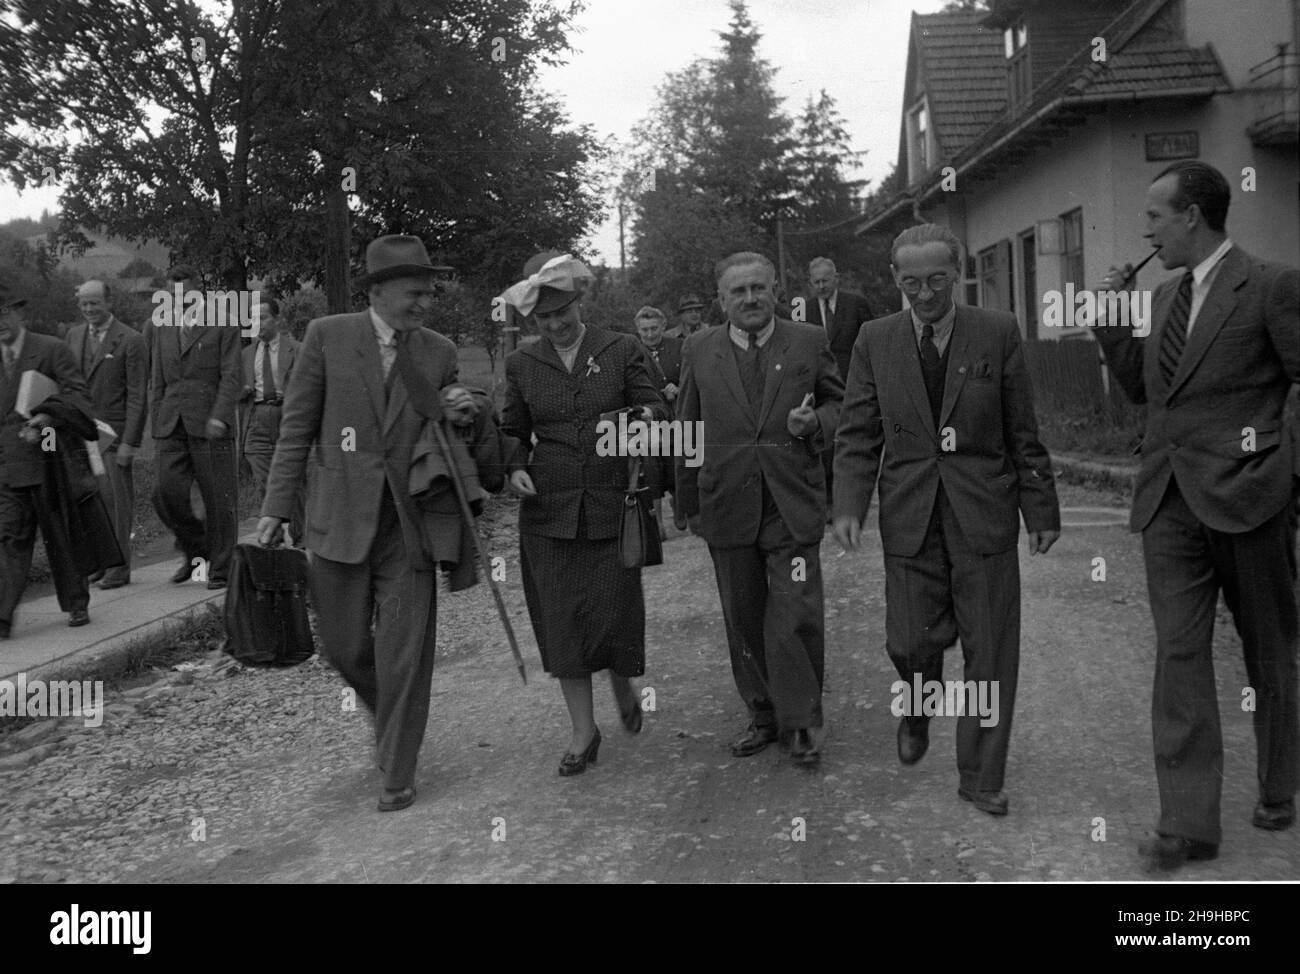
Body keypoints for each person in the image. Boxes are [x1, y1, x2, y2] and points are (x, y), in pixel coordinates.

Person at [1093, 161, 1299, 870]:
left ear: (1191, 217)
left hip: (1250, 497)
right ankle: (1187, 824)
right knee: (1179, 657)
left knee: (1269, 648)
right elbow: (1150, 393)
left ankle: (1279, 784)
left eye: (1154, 214)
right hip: (1168, 500)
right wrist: (1113, 323)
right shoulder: (1160, 296)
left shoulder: (1270, 285)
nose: (1145, 227)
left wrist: (1284, 472)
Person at [832, 223, 1060, 816]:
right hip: (910, 513)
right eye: (911, 282)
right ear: (894, 279)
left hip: (981, 513)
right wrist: (849, 504)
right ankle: (917, 700)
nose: (925, 294)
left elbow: (1022, 432)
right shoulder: (873, 339)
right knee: (909, 641)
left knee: (989, 651)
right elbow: (857, 433)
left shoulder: (997, 331)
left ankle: (981, 775)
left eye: (936, 279)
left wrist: (1040, 509)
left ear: (955, 273)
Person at [256, 234, 478, 813]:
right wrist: (275, 510)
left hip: (410, 526)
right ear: (378, 291)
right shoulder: (327, 337)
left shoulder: (437, 349)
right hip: (336, 520)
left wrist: (460, 406)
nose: (424, 303)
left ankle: (397, 768)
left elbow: (453, 421)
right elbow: (296, 430)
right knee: (347, 649)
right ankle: (391, 714)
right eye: (414, 292)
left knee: (405, 652)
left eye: (429, 292)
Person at [500, 252, 667, 776]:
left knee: (613, 611)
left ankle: (620, 677)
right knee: (561, 620)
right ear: (533, 321)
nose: (555, 324)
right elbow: (511, 430)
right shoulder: (522, 363)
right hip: (548, 510)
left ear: (579, 302)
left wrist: (646, 417)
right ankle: (583, 731)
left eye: (562, 311)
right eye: (543, 318)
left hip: (611, 503)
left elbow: (656, 409)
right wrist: (513, 467)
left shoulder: (622, 349)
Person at [675, 252, 843, 767]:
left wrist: (814, 424)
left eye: (758, 289)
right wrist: (686, 503)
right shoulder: (699, 348)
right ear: (721, 300)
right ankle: (763, 713)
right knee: (743, 616)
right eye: (737, 292)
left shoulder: (808, 342)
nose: (749, 299)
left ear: (776, 290)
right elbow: (687, 426)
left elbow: (844, 408)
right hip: (726, 503)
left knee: (794, 613)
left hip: (790, 503)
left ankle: (800, 722)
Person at [0, 281, 99, 634]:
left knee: (60, 533)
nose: (0, 322)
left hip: (47, 456)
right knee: (9, 536)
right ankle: (2, 615)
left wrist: (47, 417)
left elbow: (78, 397)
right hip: (7, 467)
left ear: (19, 313)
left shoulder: (51, 349)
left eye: (5, 312)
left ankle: (76, 604)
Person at [147, 265, 241, 589]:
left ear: (198, 290)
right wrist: (156, 419)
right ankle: (197, 550)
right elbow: (157, 378)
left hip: (210, 422)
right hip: (172, 421)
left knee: (218, 499)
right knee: (164, 491)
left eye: (185, 293)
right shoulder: (162, 326)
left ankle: (222, 569)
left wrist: (220, 415)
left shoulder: (224, 321)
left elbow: (232, 375)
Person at [66, 280, 147, 589]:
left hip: (114, 435)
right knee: (89, 500)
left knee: (116, 501)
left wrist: (130, 442)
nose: (89, 309)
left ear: (108, 302)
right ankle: (98, 563)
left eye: (95, 303)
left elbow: (138, 395)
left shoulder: (131, 339)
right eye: (84, 304)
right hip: (80, 434)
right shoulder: (73, 336)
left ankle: (119, 568)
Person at [807, 257, 874, 510]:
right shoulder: (806, 310)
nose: (822, 286)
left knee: (852, 441)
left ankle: (850, 500)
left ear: (837, 278)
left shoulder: (856, 304)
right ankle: (829, 502)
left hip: (854, 383)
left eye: (826, 280)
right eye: (817, 282)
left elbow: (870, 343)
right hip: (821, 389)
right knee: (825, 443)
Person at [239, 296, 304, 546]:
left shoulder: (296, 349)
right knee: (264, 478)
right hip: (256, 417)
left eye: (263, 317)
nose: (258, 323)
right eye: (253, 319)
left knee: (294, 477)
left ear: (277, 320)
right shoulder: (246, 354)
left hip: (286, 416)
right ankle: (273, 534)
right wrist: (240, 392)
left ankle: (300, 536)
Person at [634, 305, 682, 537]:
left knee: (678, 462)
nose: (650, 334)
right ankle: (658, 524)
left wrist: (679, 388)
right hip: (646, 419)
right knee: (651, 467)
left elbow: (692, 378)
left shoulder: (679, 347)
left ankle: (681, 505)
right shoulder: (632, 352)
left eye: (654, 328)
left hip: (675, 416)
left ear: (664, 326)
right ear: (638, 330)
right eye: (645, 330)